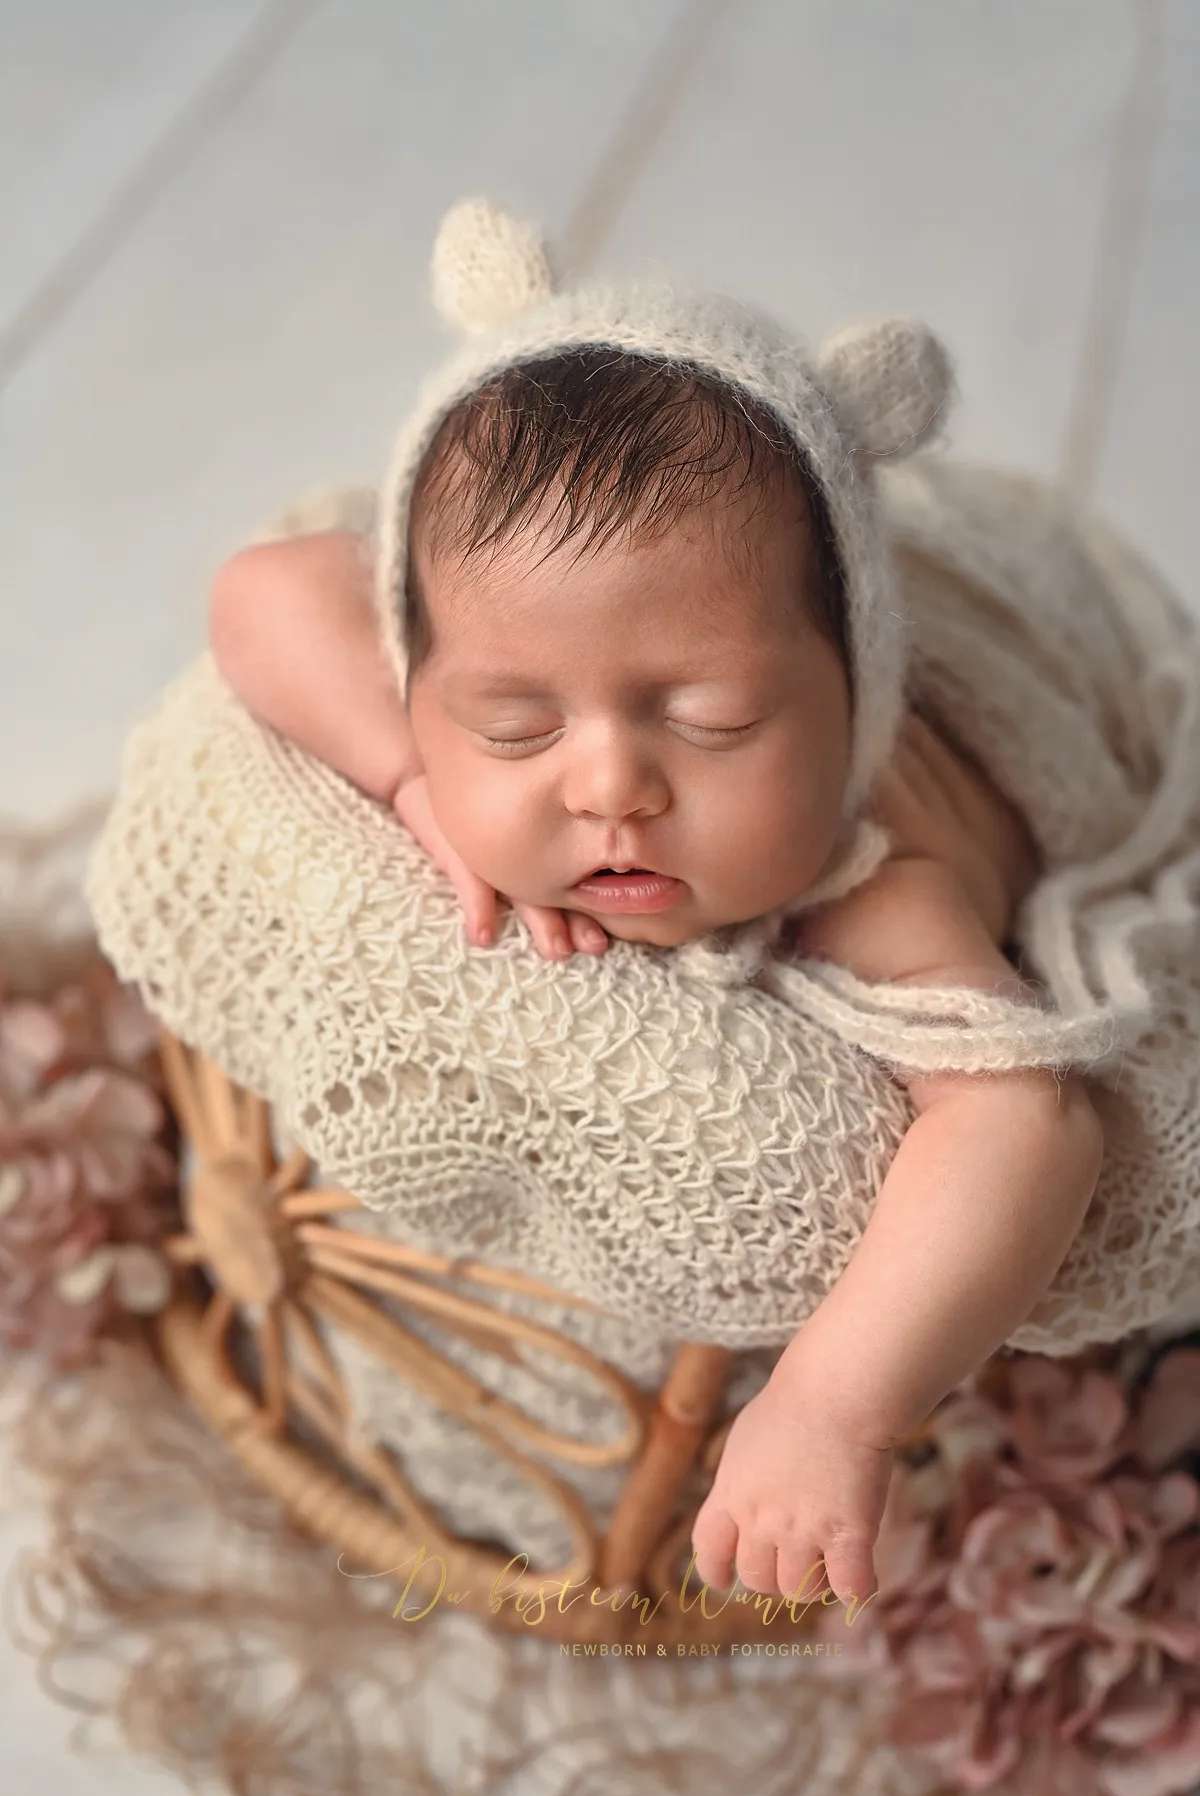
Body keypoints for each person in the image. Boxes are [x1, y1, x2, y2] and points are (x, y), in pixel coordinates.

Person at [206, 303, 1104, 1615]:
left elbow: (1027, 1116)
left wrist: (835, 1402)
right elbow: (263, 590)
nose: (613, 785)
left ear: (854, 691)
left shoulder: (874, 883)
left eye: (715, 720)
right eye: (514, 727)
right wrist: (411, 781)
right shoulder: (438, 709)